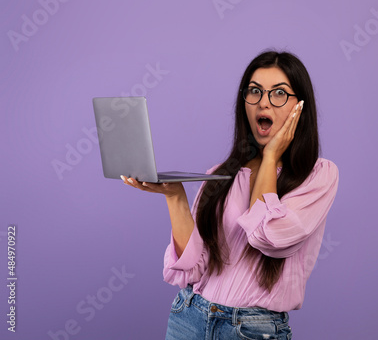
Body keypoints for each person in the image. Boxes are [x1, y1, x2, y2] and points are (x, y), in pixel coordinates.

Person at [121, 50, 339, 339]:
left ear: (300, 107)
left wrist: (272, 154)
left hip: (250, 329)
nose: (263, 102)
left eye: (278, 94)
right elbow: (194, 269)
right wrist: (175, 196)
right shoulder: (221, 173)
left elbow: (267, 236)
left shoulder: (318, 176)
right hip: (188, 317)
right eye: (255, 91)